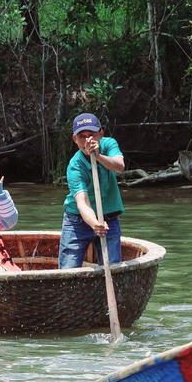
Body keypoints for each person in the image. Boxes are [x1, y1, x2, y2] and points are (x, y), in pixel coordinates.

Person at [58, 112, 126, 269]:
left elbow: (119, 166)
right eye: (82, 136)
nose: (88, 140)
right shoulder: (75, 166)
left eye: (92, 134)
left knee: (113, 267)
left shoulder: (109, 145)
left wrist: (98, 156)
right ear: (75, 139)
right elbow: (82, 202)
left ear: (100, 134)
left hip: (108, 217)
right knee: (68, 270)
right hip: (77, 220)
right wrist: (95, 224)